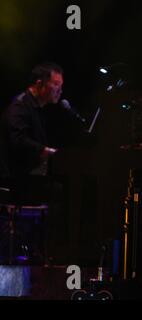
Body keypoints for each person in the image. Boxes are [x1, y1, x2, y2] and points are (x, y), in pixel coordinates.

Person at [1, 62, 65, 264]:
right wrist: (42, 151)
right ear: (40, 84)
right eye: (55, 84)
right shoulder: (20, 106)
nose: (59, 89)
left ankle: (40, 250)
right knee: (57, 191)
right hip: (14, 178)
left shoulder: (36, 109)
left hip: (28, 176)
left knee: (57, 189)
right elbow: (17, 140)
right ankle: (38, 251)